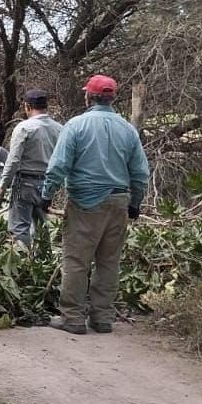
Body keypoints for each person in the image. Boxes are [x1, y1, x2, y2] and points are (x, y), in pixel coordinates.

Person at [41, 75, 149, 335]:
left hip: (85, 202)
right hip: (119, 201)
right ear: (112, 98)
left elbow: (58, 166)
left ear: (89, 97)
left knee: (77, 261)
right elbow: (141, 173)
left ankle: (73, 318)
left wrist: (46, 195)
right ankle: (102, 318)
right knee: (109, 261)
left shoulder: (76, 125)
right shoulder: (128, 129)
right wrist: (135, 202)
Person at [0, 88, 64, 247]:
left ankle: (22, 262)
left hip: (24, 183)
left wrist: (2, 186)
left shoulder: (24, 128)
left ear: (27, 106)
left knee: (19, 228)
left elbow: (13, 161)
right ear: (46, 106)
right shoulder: (59, 129)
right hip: (47, 184)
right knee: (42, 226)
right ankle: (43, 261)